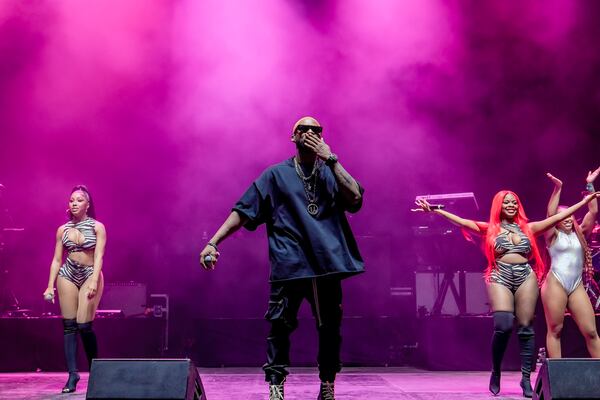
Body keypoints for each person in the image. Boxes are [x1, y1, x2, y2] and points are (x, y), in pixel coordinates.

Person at [199, 116, 364, 400]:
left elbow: (356, 199)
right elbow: (243, 210)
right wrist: (213, 242)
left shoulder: (329, 171)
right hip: (290, 265)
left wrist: (332, 159)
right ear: (293, 137)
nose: (311, 133)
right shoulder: (275, 175)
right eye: (304, 129)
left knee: (330, 329)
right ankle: (276, 386)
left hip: (326, 267)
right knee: (279, 327)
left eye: (317, 130)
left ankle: (327, 384)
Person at [414, 189, 600, 398]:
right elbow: (462, 222)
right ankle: (496, 371)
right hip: (499, 275)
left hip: (525, 276)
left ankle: (526, 379)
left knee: (526, 329)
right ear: (499, 207)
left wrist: (585, 200)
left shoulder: (530, 228)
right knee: (503, 325)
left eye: (514, 202)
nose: (511, 205)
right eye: (506, 203)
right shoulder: (490, 229)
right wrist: (438, 211)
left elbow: (558, 216)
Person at [43, 185, 106, 393]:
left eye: (79, 200)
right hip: (68, 274)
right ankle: (72, 375)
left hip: (89, 273)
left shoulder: (98, 227)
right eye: (71, 200)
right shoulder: (63, 229)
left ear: (87, 205)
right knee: (69, 326)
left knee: (84, 325)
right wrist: (49, 286)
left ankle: (96, 372)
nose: (74, 203)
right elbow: (56, 259)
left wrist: (95, 280)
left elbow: (98, 257)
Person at [541, 168, 600, 358]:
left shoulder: (580, 234)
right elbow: (550, 216)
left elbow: (594, 210)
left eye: (570, 215)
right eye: (562, 216)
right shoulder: (551, 236)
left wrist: (589, 184)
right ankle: (557, 376)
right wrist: (557, 188)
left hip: (576, 285)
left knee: (591, 332)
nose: (567, 219)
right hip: (555, 283)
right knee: (555, 330)